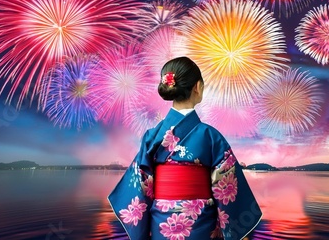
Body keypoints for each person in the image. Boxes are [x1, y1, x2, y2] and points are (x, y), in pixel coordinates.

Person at [108, 56, 262, 239]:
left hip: (161, 225)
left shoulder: (152, 136)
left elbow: (139, 188)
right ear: (198, 87)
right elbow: (227, 188)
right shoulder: (210, 137)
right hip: (200, 225)